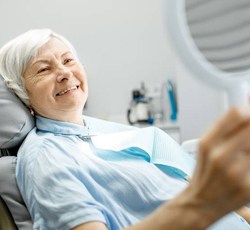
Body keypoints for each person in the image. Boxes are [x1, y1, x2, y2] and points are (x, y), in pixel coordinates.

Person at [1, 29, 250, 230]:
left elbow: (199, 189)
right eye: (44, 69)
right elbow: (204, 197)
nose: (64, 72)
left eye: (68, 60)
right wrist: (203, 201)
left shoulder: (101, 132)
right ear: (23, 94)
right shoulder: (45, 157)